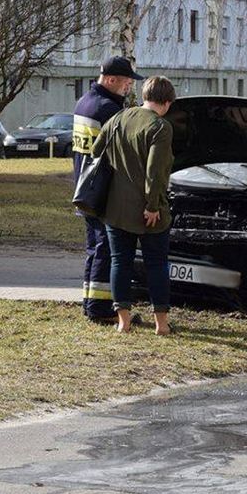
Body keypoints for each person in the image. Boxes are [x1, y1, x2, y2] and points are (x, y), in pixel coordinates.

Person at [92, 76, 176, 335]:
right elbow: (155, 173)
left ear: (144, 97)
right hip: (148, 211)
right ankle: (161, 325)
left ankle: (123, 322)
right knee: (157, 264)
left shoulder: (119, 118)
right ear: (168, 102)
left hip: (115, 209)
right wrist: (153, 206)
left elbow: (96, 150)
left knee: (120, 263)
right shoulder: (161, 127)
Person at [72, 56, 142, 324]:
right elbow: (122, 153)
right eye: (126, 83)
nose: (128, 88)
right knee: (105, 249)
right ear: (111, 80)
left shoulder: (84, 103)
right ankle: (101, 310)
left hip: (84, 187)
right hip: (103, 189)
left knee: (93, 248)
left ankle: (90, 303)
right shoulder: (107, 109)